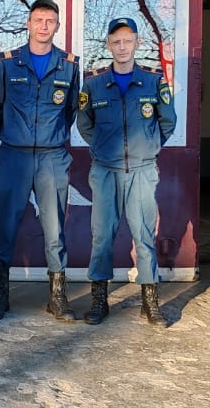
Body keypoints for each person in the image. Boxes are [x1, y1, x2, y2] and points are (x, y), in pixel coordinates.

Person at [76, 17, 177, 327]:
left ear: (137, 43)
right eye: (116, 41)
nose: (122, 46)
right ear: (109, 45)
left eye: (127, 40)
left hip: (142, 171)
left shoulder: (153, 81)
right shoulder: (93, 83)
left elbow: (167, 121)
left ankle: (150, 302)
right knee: (102, 236)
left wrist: (147, 147)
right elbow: (84, 123)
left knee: (144, 236)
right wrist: (103, 148)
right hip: (105, 171)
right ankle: (99, 299)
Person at [0, 0, 81, 323]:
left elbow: (70, 111)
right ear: (28, 23)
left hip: (52, 157)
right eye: (38, 20)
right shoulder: (8, 62)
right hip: (14, 154)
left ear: (56, 26)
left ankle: (57, 297)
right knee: (6, 224)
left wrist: (50, 137)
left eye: (50, 21)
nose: (43, 26)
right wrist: (14, 135)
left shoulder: (69, 65)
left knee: (55, 228)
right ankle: (1, 294)